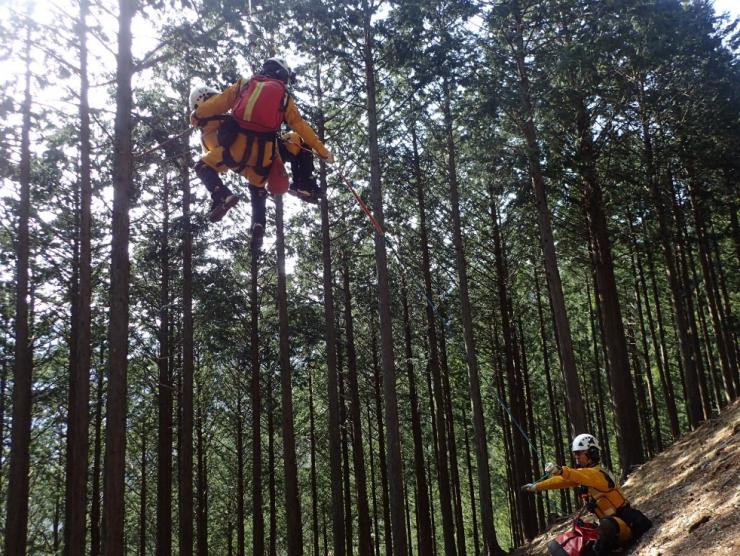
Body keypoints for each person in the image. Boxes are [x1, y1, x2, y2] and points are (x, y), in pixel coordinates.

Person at [189, 57, 333, 246]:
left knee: (201, 164)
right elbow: (300, 126)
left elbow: (220, 103)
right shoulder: (284, 97)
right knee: (260, 181)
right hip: (265, 155)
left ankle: (222, 195)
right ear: (282, 75)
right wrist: (323, 152)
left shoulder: (245, 84)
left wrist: (197, 115)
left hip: (234, 150)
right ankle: (302, 184)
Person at [521, 434, 652, 555]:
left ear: (591, 453)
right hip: (608, 529)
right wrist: (536, 486)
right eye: (575, 454)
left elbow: (581, 475)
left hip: (623, 525)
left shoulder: (599, 474)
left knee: (607, 524)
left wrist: (561, 470)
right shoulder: (585, 475)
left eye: (579, 453)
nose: (576, 457)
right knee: (561, 545)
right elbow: (562, 481)